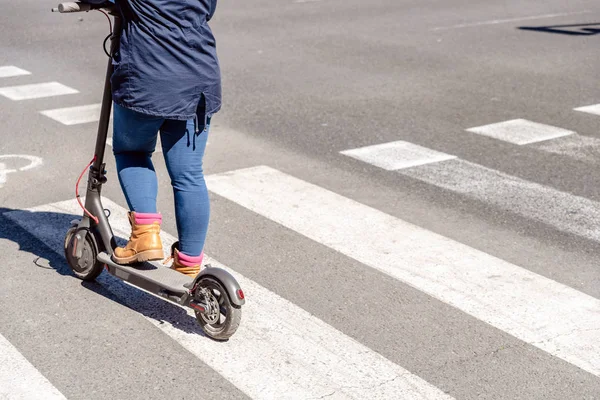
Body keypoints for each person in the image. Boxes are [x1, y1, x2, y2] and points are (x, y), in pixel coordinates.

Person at [84, 0, 221, 277]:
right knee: (189, 174)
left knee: (131, 151)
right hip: (198, 77)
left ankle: (145, 235)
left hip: (146, 78)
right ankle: (189, 261)